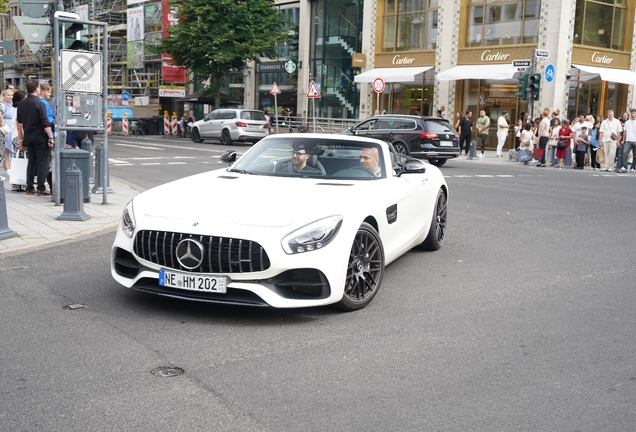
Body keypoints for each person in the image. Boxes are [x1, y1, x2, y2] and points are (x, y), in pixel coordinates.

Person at [16, 79, 54, 196]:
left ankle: (29, 187)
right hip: (39, 134)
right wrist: (50, 137)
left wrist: (21, 140)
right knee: (42, 162)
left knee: (31, 161)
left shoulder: (22, 103)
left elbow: (20, 120)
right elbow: (45, 122)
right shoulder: (39, 103)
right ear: (37, 89)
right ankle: (41, 188)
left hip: (28, 135)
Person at [1, 88, 14, 173]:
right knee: (6, 149)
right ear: (4, 96)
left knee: (11, 148)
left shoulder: (12, 105)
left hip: (12, 127)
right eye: (8, 95)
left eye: (11, 95)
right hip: (6, 128)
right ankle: (7, 169)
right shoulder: (2, 105)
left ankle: (11, 166)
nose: (10, 97)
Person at [619, 108, 636, 173]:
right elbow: (624, 132)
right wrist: (623, 140)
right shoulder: (627, 122)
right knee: (625, 152)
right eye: (631, 113)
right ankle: (625, 166)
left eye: (633, 113)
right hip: (628, 140)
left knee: (635, 155)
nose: (632, 114)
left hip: (634, 140)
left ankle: (633, 167)